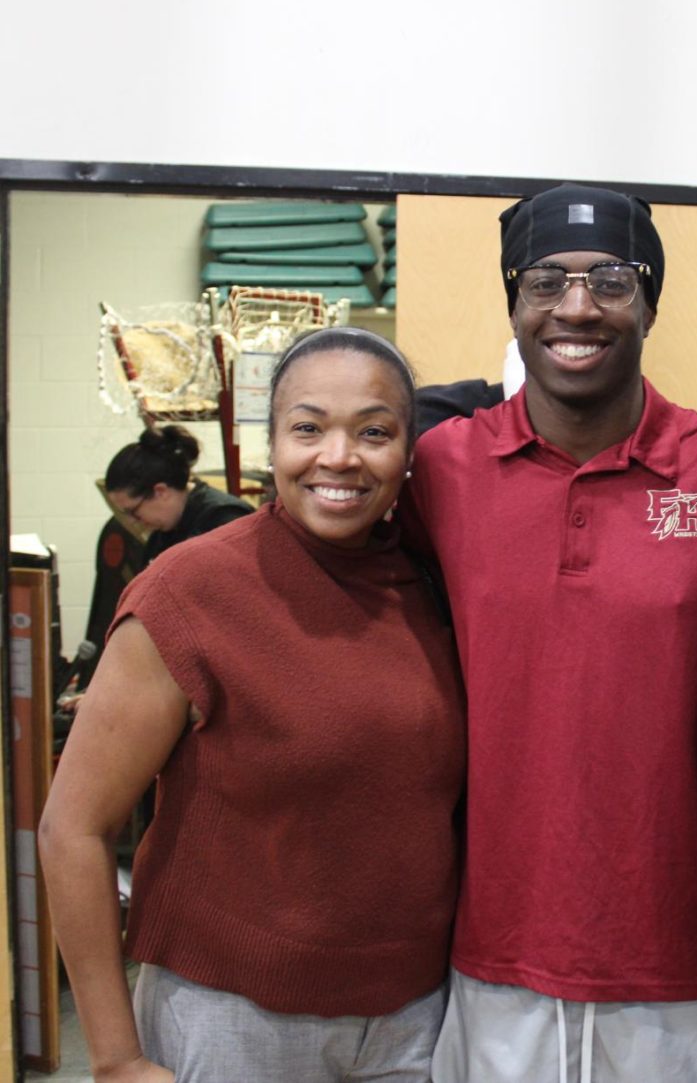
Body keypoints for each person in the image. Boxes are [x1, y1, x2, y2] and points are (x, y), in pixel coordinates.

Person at [39, 327, 466, 1083]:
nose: (339, 456)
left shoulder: (434, 586)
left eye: (374, 431)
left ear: (408, 452)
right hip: (234, 1019)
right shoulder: (191, 589)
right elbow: (72, 827)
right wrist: (112, 1056)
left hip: (414, 1019)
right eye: (308, 427)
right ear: (271, 444)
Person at [403, 184, 697, 1082]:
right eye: (547, 281)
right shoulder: (444, 467)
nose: (578, 307)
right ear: (515, 303)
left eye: (613, 281)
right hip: (497, 954)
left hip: (685, 959)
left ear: (651, 304)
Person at [104, 424, 253, 563]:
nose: (132, 521)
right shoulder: (164, 533)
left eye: (133, 511)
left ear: (160, 492)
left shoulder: (226, 519)